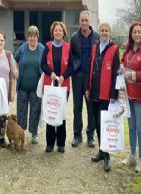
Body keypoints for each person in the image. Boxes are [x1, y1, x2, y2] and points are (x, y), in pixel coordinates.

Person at [85, 22, 120, 172]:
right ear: (99, 32)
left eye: (106, 31)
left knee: (104, 124)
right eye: (102, 30)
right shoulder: (94, 47)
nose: (104, 33)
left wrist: (114, 94)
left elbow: (116, 73)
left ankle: (107, 157)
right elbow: (90, 67)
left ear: (110, 33)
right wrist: (87, 87)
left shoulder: (114, 49)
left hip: (106, 95)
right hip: (94, 92)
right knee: (97, 123)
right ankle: (101, 150)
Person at [121, 21, 141, 172]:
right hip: (128, 94)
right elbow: (122, 63)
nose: (137, 34)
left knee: (140, 127)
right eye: (134, 32)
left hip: (140, 96)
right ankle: (132, 155)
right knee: (131, 126)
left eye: (139, 32)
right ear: (131, 34)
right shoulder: (128, 49)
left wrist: (132, 74)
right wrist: (121, 68)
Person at [41, 21, 74, 153]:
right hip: (50, 85)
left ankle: (61, 143)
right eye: (56, 30)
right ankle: (49, 143)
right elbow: (42, 64)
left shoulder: (68, 47)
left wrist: (63, 76)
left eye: (60, 30)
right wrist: (51, 74)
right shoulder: (47, 46)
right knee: (51, 112)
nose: (58, 32)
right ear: (52, 33)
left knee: (60, 113)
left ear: (64, 33)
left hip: (63, 86)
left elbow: (72, 66)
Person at [70, 10, 99, 148]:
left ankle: (90, 136)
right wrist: (76, 65)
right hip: (78, 77)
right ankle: (77, 135)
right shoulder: (74, 37)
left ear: (89, 21)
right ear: (79, 22)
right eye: (82, 20)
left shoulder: (96, 37)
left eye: (86, 20)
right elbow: (71, 55)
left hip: (92, 78)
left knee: (91, 108)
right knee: (77, 107)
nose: (84, 23)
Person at [14, 26, 44, 144]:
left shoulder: (42, 48)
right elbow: (14, 59)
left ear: (37, 37)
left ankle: (34, 133)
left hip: (36, 88)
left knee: (35, 110)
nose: (32, 38)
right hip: (22, 87)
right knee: (21, 111)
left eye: (34, 36)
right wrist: (15, 70)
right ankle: (20, 132)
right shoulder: (23, 48)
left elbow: (47, 63)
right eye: (30, 36)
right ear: (28, 37)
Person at [0, 31, 18, 150]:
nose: (0, 42)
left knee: (2, 116)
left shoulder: (8, 55)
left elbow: (13, 72)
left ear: (4, 42)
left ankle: (2, 139)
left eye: (2, 40)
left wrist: (17, 73)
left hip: (5, 92)